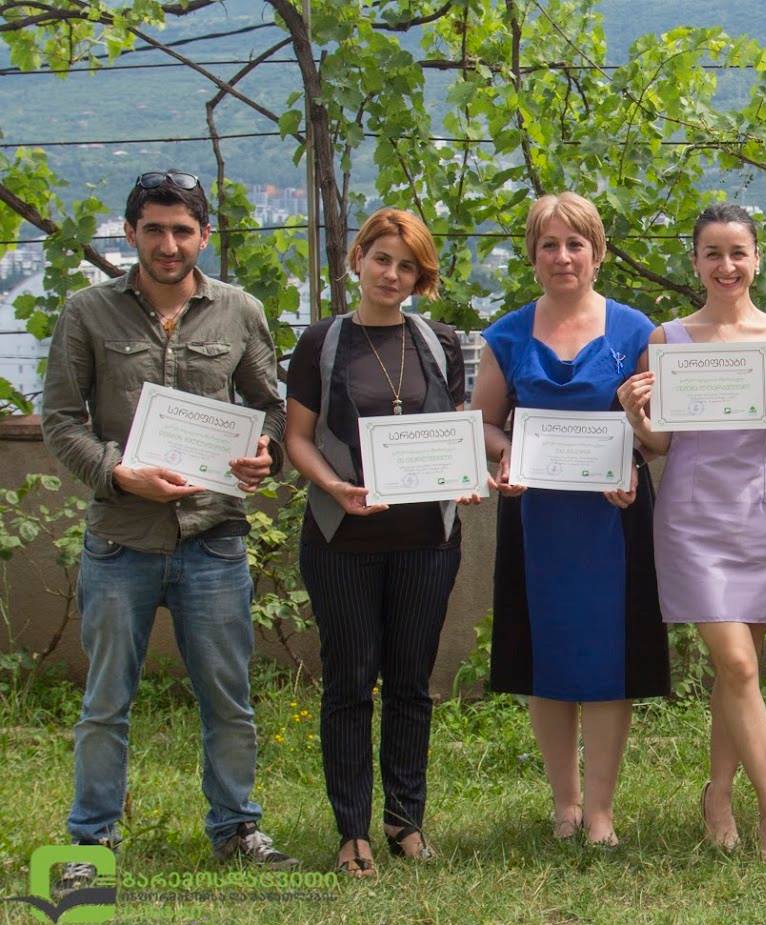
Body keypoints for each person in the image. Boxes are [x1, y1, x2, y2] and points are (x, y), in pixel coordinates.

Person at [40, 169, 294, 889]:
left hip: (214, 537)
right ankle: (91, 842)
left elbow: (271, 406)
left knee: (229, 699)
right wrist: (119, 474)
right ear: (130, 233)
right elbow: (60, 420)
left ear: (204, 236)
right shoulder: (87, 313)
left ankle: (237, 828)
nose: (168, 244)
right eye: (153, 229)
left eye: (183, 230)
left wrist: (265, 453)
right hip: (120, 537)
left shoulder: (240, 311)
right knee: (104, 702)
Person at [284, 208, 479, 876]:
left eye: (407, 266)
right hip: (341, 538)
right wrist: (334, 487)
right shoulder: (322, 341)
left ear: (421, 278)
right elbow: (298, 439)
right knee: (348, 683)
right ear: (358, 258)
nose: (392, 275)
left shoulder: (441, 342)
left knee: (411, 684)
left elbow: (456, 430)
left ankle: (405, 820)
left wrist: (465, 479)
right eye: (382, 259)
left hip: (428, 541)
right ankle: (352, 831)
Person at [472, 192, 670, 848]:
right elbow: (485, 424)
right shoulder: (504, 336)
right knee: (548, 659)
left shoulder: (638, 332)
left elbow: (658, 434)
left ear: (598, 252)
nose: (563, 256)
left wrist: (634, 454)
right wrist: (507, 455)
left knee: (609, 662)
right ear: (532, 256)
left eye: (575, 244)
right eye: (549, 245)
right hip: (538, 521)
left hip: (613, 518)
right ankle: (565, 803)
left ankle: (602, 810)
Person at [615, 204, 766, 866]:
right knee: (740, 665)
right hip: (693, 515)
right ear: (695, 262)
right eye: (712, 254)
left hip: (761, 510)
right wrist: (636, 414)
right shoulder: (669, 337)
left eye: (738, 253)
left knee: (738, 669)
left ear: (757, 259)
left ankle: (718, 794)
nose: (726, 266)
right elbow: (662, 443)